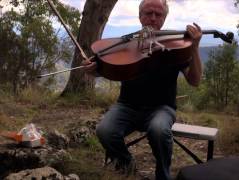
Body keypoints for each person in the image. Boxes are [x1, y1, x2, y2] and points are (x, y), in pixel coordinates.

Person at [83, 0, 202, 179]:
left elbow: (195, 81)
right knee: (105, 130)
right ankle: (127, 165)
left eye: (158, 14)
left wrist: (195, 48)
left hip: (162, 108)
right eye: (148, 13)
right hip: (127, 106)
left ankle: (163, 176)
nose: (152, 18)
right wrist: (93, 70)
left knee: (159, 130)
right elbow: (107, 70)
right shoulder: (126, 42)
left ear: (164, 19)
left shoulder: (176, 45)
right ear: (140, 16)